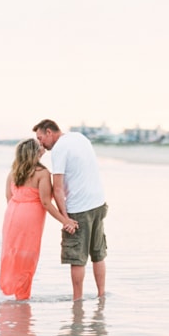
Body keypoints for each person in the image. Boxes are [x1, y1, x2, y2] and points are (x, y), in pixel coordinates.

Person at [32, 119, 108, 300]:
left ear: (49, 132)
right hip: (98, 203)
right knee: (98, 254)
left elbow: (57, 188)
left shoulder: (59, 149)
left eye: (40, 138)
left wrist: (65, 219)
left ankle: (77, 301)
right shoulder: (79, 137)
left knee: (77, 258)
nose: (40, 143)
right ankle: (101, 295)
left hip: (79, 208)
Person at [0, 138, 78, 301]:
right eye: (39, 146)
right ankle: (22, 296)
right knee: (28, 254)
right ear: (35, 152)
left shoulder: (13, 172)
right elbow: (46, 202)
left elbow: (9, 197)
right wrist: (65, 220)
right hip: (30, 217)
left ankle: (11, 290)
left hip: (12, 214)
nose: (43, 147)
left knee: (12, 252)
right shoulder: (42, 173)